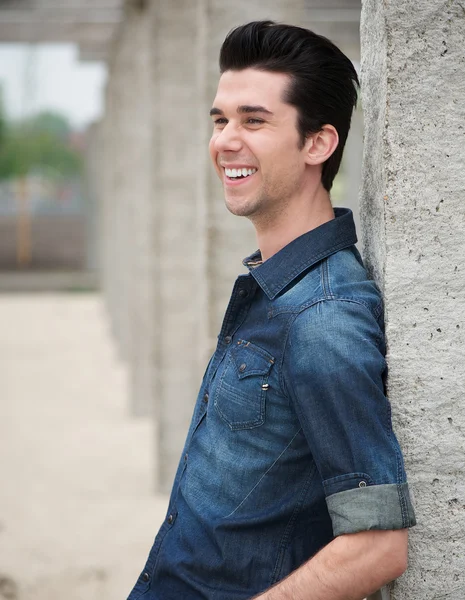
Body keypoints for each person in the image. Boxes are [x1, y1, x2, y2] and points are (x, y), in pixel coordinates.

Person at [127, 20, 416, 600]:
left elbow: (378, 545)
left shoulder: (323, 318)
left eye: (254, 121)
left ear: (318, 143)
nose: (225, 140)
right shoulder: (276, 287)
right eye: (220, 120)